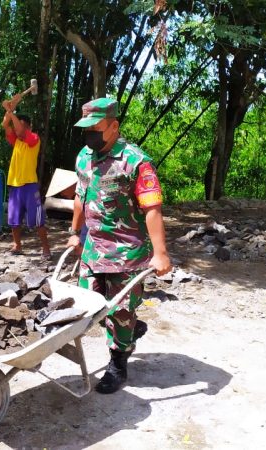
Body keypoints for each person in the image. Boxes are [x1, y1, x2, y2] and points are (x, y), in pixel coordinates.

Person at [65, 97, 172, 394]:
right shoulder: (84, 157)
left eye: (95, 128)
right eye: (85, 128)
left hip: (127, 253)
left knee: (121, 311)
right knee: (89, 309)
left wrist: (161, 253)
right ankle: (128, 330)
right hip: (92, 248)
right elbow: (80, 195)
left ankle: (118, 363)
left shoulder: (136, 161)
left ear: (113, 126)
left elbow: (152, 208)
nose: (89, 135)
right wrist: (74, 232)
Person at [1, 97, 51, 258]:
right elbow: (5, 126)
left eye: (20, 125)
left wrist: (11, 111)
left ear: (29, 127)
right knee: (14, 219)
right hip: (15, 185)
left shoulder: (34, 139)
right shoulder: (15, 140)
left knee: (37, 219)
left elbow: (21, 132)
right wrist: (9, 111)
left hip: (30, 185)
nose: (17, 129)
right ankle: (17, 245)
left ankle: (46, 249)